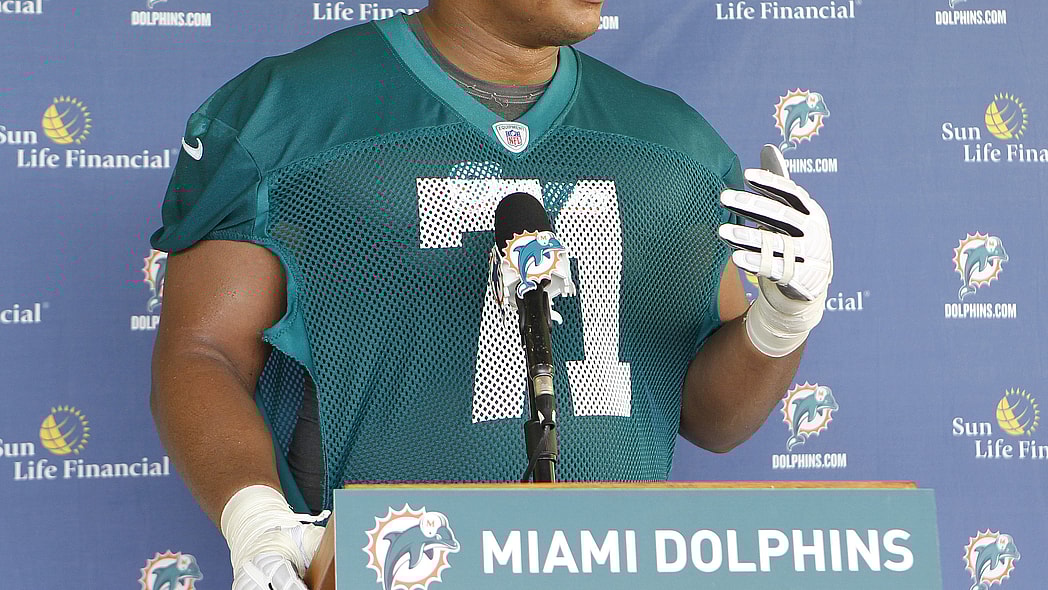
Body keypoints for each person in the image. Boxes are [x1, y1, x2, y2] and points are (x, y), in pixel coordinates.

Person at [149, 1, 833, 588]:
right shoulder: (285, 114)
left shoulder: (676, 144)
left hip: (610, 567)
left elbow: (714, 421)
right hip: (387, 565)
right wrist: (256, 520)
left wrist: (781, 321)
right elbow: (203, 353)